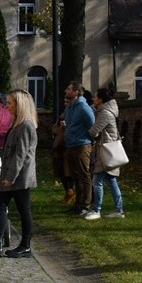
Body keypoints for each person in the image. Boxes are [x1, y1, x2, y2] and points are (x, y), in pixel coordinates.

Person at [0, 90, 38, 258]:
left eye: (10, 103)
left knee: (22, 209)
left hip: (18, 176)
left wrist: (11, 177)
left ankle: (25, 245)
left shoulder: (26, 125)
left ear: (20, 105)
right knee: (0, 205)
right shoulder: (18, 124)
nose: (6, 106)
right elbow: (13, 149)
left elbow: (21, 154)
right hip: (11, 174)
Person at [84, 87, 125, 221]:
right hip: (106, 150)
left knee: (97, 180)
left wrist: (86, 130)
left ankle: (96, 210)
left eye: (95, 97)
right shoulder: (104, 111)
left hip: (106, 150)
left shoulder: (105, 113)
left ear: (101, 100)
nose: (93, 99)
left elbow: (94, 131)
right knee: (111, 181)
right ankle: (119, 210)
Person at [63, 81, 95, 216]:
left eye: (69, 89)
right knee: (75, 176)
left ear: (76, 92)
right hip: (71, 145)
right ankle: (78, 203)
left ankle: (86, 205)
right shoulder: (70, 107)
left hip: (82, 145)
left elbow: (92, 125)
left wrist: (88, 141)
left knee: (84, 175)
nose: (66, 90)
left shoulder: (83, 107)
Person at [52, 98, 76, 205]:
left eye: (68, 102)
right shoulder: (63, 115)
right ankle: (69, 191)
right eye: (65, 102)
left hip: (69, 146)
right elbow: (54, 128)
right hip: (60, 148)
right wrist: (60, 128)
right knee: (62, 171)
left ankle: (71, 191)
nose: (66, 104)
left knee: (69, 171)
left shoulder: (75, 114)